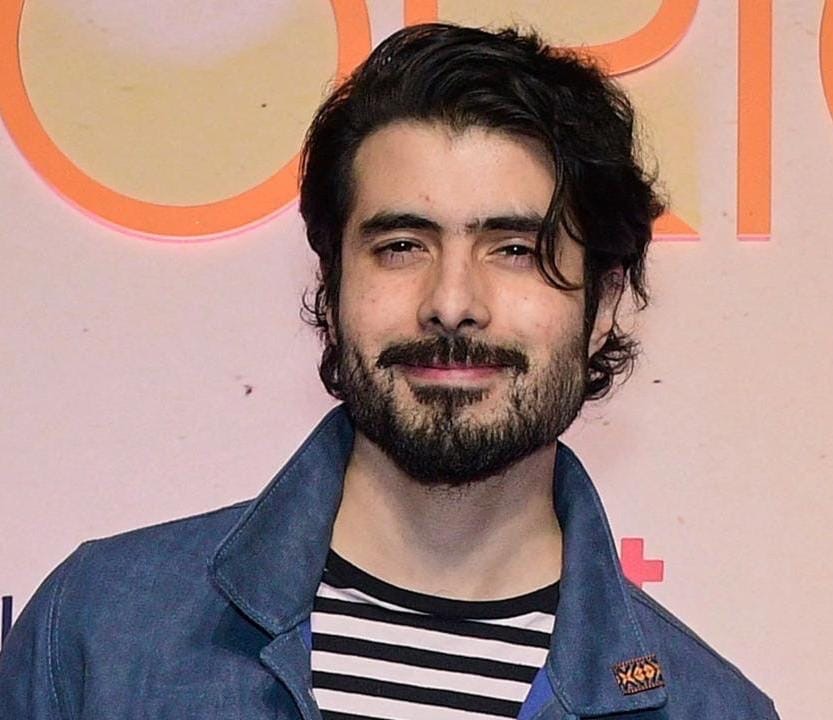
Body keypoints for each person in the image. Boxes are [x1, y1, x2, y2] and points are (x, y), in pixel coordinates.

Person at [0, 23, 779, 720]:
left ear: (602, 305)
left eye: (514, 250)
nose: (451, 303)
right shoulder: (100, 635)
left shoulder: (710, 709)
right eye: (402, 246)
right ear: (332, 286)